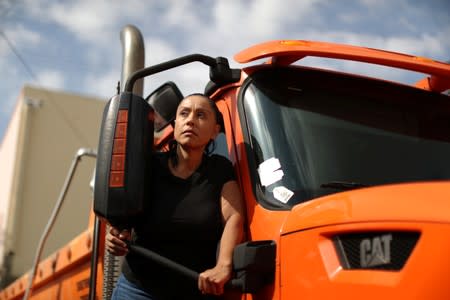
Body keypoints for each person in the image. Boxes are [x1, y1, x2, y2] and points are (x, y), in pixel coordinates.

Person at [106, 93, 244, 299]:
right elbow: (115, 200)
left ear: (215, 131)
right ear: (176, 124)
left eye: (201, 115)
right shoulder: (149, 165)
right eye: (184, 114)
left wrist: (223, 266)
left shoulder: (220, 169)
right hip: (137, 290)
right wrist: (116, 232)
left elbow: (234, 216)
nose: (190, 120)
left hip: (193, 292)